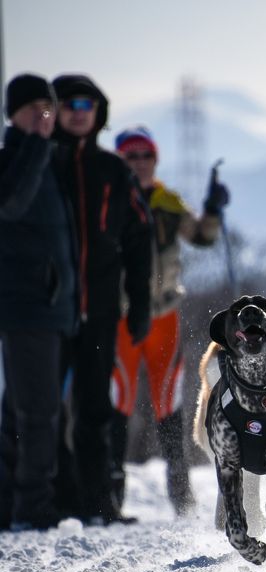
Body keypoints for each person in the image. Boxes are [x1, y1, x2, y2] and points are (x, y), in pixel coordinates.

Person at [108, 125, 228, 517]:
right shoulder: (110, 198)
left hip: (164, 314)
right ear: (120, 160)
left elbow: (202, 237)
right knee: (120, 400)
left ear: (155, 159)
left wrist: (213, 209)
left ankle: (182, 495)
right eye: (131, 156)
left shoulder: (166, 200)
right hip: (123, 315)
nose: (139, 162)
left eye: (146, 155)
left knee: (168, 400)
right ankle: (111, 496)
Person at [52, 74, 153, 525]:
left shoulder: (113, 170)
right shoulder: (40, 162)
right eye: (69, 103)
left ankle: (98, 503)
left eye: (86, 104)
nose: (78, 112)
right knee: (40, 409)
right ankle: (51, 499)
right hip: (46, 311)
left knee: (95, 407)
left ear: (98, 113)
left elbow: (139, 237)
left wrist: (140, 302)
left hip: (100, 308)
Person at [0, 74, 78, 531]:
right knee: (39, 413)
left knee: (21, 409)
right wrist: (34, 144)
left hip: (51, 308)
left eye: (47, 109)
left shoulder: (47, 159)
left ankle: (11, 503)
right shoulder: (16, 158)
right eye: (34, 109)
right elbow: (11, 204)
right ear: (13, 114)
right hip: (26, 306)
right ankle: (33, 507)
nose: (44, 117)